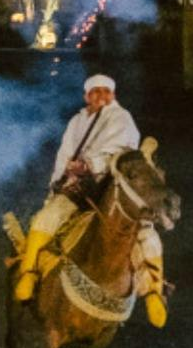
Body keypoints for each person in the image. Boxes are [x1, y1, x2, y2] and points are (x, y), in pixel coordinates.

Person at [11, 74, 168, 327]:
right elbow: (64, 156)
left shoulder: (121, 117)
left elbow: (120, 152)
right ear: (86, 96)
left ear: (113, 95)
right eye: (95, 92)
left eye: (106, 92)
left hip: (112, 186)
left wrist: (89, 165)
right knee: (46, 217)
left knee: (147, 234)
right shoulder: (76, 121)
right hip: (79, 186)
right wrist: (56, 185)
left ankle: (153, 293)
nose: (101, 96)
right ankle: (29, 273)